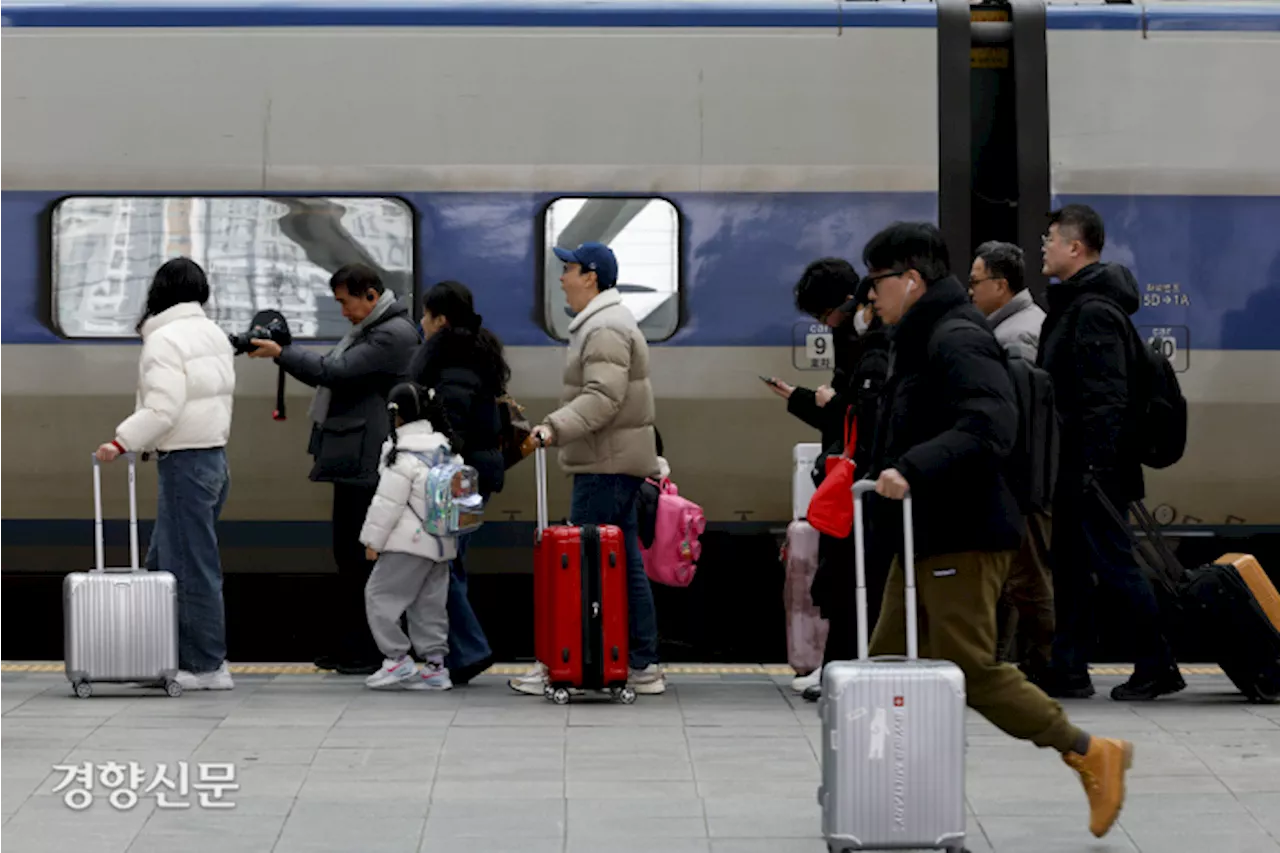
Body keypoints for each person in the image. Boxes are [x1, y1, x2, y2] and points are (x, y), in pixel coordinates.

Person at [861, 221, 1133, 840]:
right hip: (924, 531)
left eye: (876, 283)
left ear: (909, 280)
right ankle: (888, 793)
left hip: (962, 532)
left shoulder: (956, 337)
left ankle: (1089, 751)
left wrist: (909, 467)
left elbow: (989, 425)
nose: (870, 297)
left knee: (970, 668)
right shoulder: (923, 334)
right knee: (884, 666)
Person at [1037, 204, 1184, 701]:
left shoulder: (1093, 310)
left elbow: (1106, 399)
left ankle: (1158, 664)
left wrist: (1094, 467)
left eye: (1051, 239)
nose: (1044, 246)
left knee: (1116, 565)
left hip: (1095, 470)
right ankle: (1069, 667)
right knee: (1074, 567)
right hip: (1080, 466)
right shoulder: (1081, 304)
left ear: (1075, 247)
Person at [508, 241, 665, 696]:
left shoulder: (605, 329)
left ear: (591, 277)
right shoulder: (604, 324)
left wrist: (552, 428)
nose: (562, 278)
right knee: (624, 564)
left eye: (569, 269)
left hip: (605, 463)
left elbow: (603, 397)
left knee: (584, 567)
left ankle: (571, 665)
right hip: (611, 460)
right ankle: (640, 662)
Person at [248, 263, 420, 676]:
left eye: (345, 301)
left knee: (360, 557)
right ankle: (357, 647)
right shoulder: (373, 330)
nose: (342, 310)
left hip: (368, 463)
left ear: (371, 296)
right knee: (350, 555)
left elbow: (335, 371)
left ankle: (370, 649)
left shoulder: (391, 335)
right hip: (356, 459)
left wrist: (281, 354)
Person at [94, 257, 236, 691]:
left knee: (190, 568)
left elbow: (163, 408)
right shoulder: (212, 334)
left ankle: (207, 666)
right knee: (163, 562)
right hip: (213, 459)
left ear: (158, 292)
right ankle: (162, 657)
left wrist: (121, 442)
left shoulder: (165, 340)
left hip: (186, 464)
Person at [766, 258, 891, 701]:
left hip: (860, 480)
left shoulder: (874, 346)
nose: (827, 326)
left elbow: (861, 415)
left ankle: (842, 668)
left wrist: (832, 402)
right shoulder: (858, 340)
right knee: (842, 578)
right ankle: (837, 666)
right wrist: (801, 398)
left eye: (826, 317)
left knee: (850, 578)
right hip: (848, 473)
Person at [408, 280, 508, 685]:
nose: (421, 322)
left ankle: (468, 651)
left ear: (441, 319)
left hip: (455, 478)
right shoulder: (478, 353)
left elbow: (452, 428)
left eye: (426, 315)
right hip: (473, 474)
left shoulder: (450, 363)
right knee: (450, 562)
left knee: (443, 566)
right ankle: (457, 654)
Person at [968, 241, 1055, 683]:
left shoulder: (1016, 337)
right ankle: (1002, 661)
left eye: (976, 282)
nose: (970, 291)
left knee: (1026, 575)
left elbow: (1019, 418)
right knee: (1012, 575)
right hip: (1021, 475)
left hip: (1020, 477)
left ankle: (1042, 665)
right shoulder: (1013, 327)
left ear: (1000, 286)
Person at [358, 382, 462, 691]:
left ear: (396, 415)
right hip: (442, 543)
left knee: (379, 595)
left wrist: (372, 542)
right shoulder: (448, 452)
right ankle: (435, 667)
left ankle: (396, 660)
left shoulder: (402, 457)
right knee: (429, 605)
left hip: (407, 543)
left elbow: (386, 505)